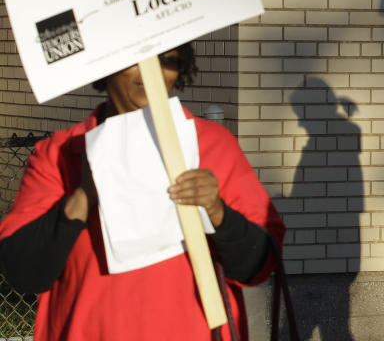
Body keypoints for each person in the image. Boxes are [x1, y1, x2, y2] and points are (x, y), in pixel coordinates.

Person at [0, 45, 285, 340]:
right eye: (135, 56)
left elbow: (260, 265)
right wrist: (83, 197)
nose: (151, 70)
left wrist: (217, 212)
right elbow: (25, 273)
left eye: (166, 59)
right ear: (106, 63)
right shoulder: (60, 154)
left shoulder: (212, 145)